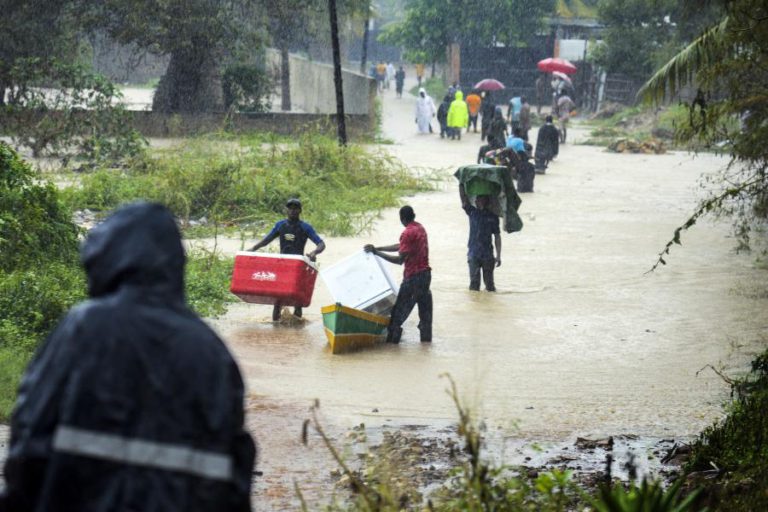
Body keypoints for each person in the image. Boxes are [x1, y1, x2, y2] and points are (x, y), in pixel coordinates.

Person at [0, 202, 256, 511]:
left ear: (106, 260)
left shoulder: (83, 328)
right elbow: (235, 471)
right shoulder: (211, 351)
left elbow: (30, 431)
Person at [249, 197, 326, 321]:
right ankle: (276, 328)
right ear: (286, 210)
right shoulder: (280, 225)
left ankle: (297, 333)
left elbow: (321, 244)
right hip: (282, 266)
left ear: (300, 211)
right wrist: (253, 249)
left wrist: (314, 252)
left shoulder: (305, 227)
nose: (293, 211)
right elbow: (266, 240)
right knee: (277, 301)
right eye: (290, 208)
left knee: (298, 302)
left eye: (296, 208)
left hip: (298, 268)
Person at [364, 205, 432, 344]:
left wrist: (377, 253)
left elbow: (399, 260)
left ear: (402, 219)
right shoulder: (420, 228)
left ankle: (392, 350)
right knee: (425, 318)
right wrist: (378, 248)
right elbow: (401, 245)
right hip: (425, 277)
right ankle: (426, 349)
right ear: (413, 215)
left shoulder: (407, 233)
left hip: (413, 279)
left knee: (396, 318)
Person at [458, 191, 501, 292]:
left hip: (488, 255)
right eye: (476, 199)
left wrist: (498, 255)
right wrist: (461, 185)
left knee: (490, 286)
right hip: (474, 254)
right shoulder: (472, 212)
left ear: (485, 201)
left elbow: (497, 237)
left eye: (479, 199)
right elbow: (464, 201)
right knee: (474, 284)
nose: (476, 201)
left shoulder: (493, 217)